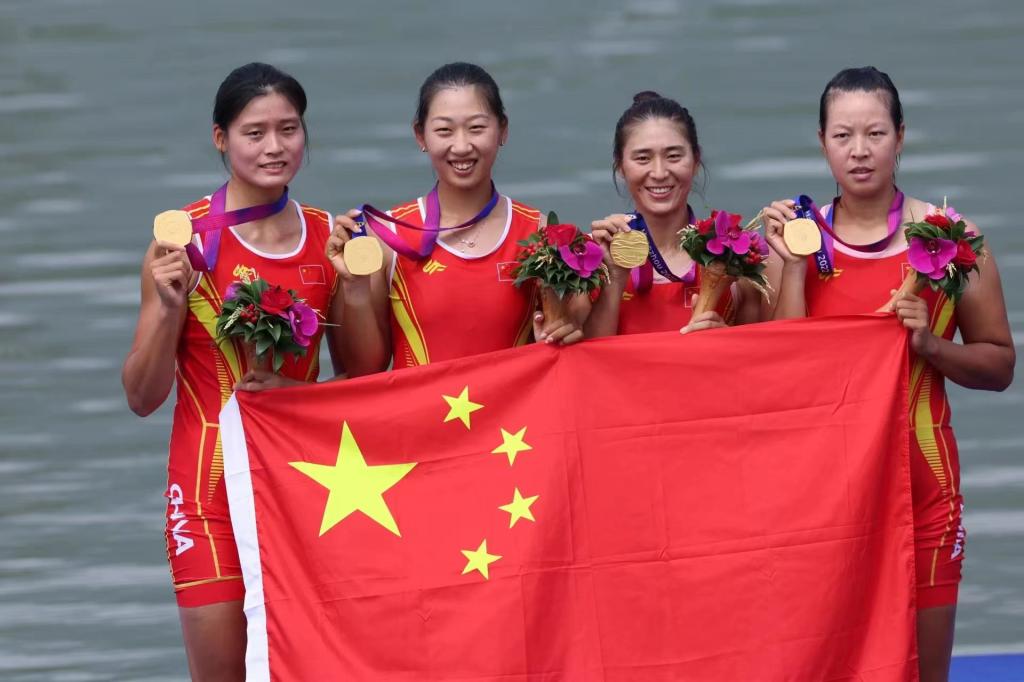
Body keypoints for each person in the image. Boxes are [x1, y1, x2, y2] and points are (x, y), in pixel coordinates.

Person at [760, 66, 1015, 682]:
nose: (859, 150)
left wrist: (931, 346)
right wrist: (790, 268)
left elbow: (999, 364)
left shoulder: (955, 240)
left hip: (924, 487)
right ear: (821, 142)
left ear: (900, 137)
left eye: (875, 133)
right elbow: (779, 374)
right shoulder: (793, 241)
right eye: (843, 135)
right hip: (822, 496)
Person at [121, 62, 341, 680]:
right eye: (254, 133)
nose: (274, 147)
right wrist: (169, 309)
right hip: (206, 495)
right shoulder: (180, 244)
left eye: (288, 129)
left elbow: (365, 380)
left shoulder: (328, 239)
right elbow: (141, 397)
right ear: (220, 138)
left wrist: (296, 394)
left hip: (309, 493)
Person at [328, 62, 583, 377]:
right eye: (444, 131)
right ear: (420, 135)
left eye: (476, 128)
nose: (461, 146)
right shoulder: (387, 237)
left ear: (502, 129)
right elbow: (364, 371)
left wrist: (562, 335)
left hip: (516, 411)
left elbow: (572, 343)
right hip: (420, 411)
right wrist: (355, 287)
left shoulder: (540, 234)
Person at [586, 92, 762, 338]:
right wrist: (614, 279)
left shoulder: (736, 260)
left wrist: (726, 342)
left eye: (673, 156)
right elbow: (582, 357)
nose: (659, 173)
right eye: (643, 158)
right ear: (621, 167)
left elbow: (763, 358)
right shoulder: (588, 261)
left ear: (696, 160)